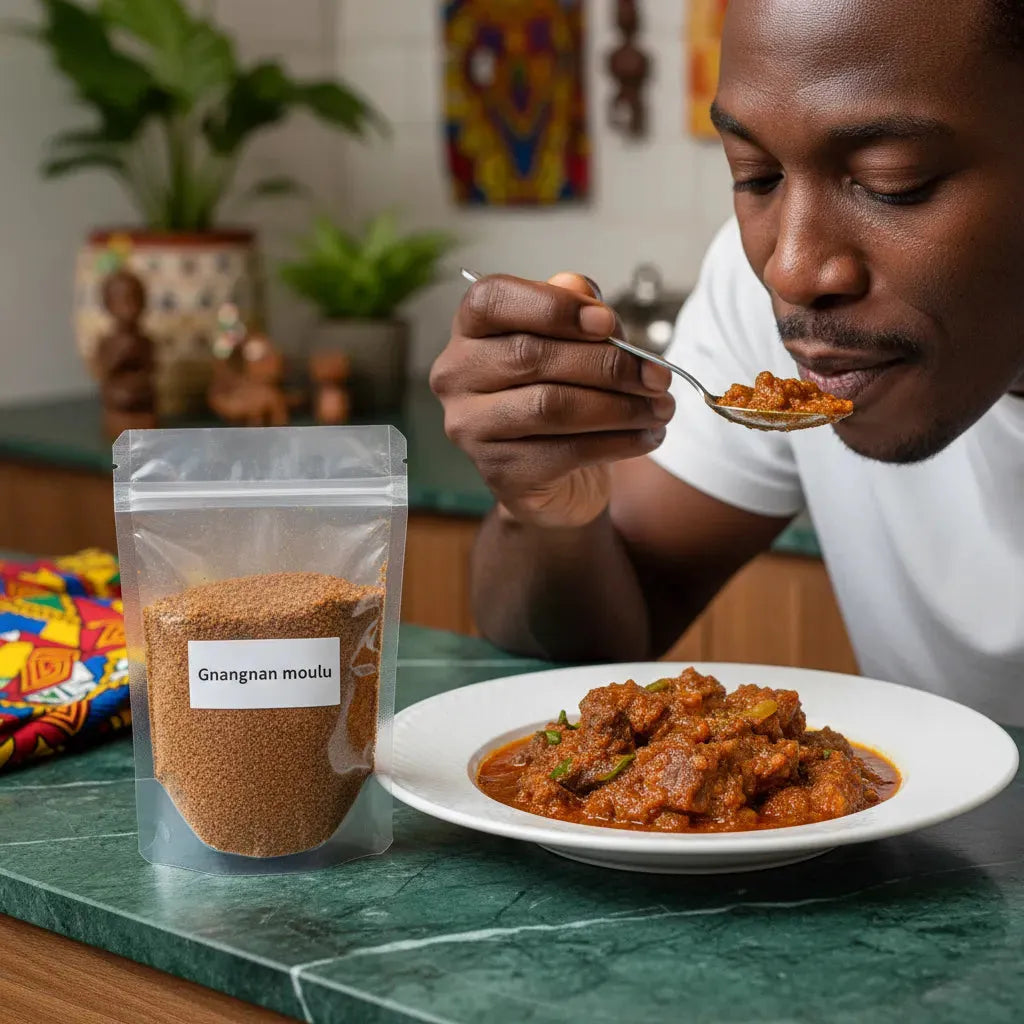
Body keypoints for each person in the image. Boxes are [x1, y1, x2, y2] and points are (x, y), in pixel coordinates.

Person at [430, 0, 1024, 726]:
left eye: (889, 180)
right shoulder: (759, 303)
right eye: (757, 176)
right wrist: (548, 505)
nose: (793, 270)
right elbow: (601, 628)